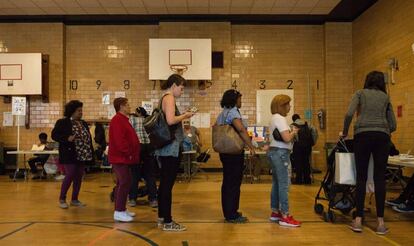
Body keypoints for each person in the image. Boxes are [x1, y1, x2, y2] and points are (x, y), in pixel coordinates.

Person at [341, 71, 396, 235]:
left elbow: (349, 113)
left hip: (363, 135)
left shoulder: (360, 93)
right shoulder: (385, 98)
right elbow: (393, 124)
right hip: (382, 136)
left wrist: (345, 131)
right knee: (380, 178)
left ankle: (358, 220)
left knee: (361, 177)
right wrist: (384, 129)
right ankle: (380, 222)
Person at [155, 74, 194, 231]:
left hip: (165, 148)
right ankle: (168, 222)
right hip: (170, 148)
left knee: (164, 184)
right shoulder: (169, 98)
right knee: (167, 185)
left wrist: (181, 114)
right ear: (174, 85)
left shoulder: (164, 98)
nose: (182, 91)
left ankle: (162, 217)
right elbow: (171, 120)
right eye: (181, 87)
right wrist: (186, 115)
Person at [216, 89, 256, 223]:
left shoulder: (222, 113)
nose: (241, 101)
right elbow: (240, 129)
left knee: (227, 182)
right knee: (233, 183)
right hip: (234, 153)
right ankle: (232, 214)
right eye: (240, 98)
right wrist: (250, 145)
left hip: (225, 152)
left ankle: (229, 211)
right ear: (234, 100)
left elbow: (216, 126)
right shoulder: (233, 112)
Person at [52, 100, 94, 209]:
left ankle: (74, 199)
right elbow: (54, 135)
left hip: (82, 154)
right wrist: (67, 138)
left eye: (81, 110)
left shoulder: (83, 123)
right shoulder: (62, 122)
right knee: (70, 174)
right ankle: (62, 198)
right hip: (69, 154)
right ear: (72, 111)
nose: (81, 112)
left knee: (79, 177)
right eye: (78, 111)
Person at [267, 94, 300, 227]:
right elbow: (286, 138)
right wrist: (294, 132)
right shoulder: (280, 118)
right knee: (284, 184)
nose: (289, 107)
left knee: (276, 183)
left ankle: (275, 212)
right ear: (282, 105)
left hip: (274, 153)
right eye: (288, 104)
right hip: (281, 154)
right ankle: (285, 215)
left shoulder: (273, 118)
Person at [109, 97, 141, 222]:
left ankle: (121, 208)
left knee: (123, 183)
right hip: (120, 158)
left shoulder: (124, 120)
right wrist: (128, 153)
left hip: (124, 157)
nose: (129, 106)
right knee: (124, 182)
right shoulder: (117, 120)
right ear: (121, 106)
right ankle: (119, 211)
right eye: (127, 105)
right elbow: (119, 141)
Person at [129, 106, 158, 208]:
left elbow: (129, 132)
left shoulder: (132, 119)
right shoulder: (149, 119)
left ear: (138, 112)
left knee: (134, 174)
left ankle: (132, 199)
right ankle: (153, 199)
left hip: (137, 147)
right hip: (149, 147)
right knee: (150, 175)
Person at [290, 114, 318, 184]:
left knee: (298, 163)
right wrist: (313, 142)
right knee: (306, 162)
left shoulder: (293, 125)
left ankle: (298, 180)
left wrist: (295, 141)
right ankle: (307, 180)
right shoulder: (307, 123)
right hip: (307, 146)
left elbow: (293, 136)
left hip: (298, 146)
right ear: (299, 118)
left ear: (293, 119)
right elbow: (314, 130)